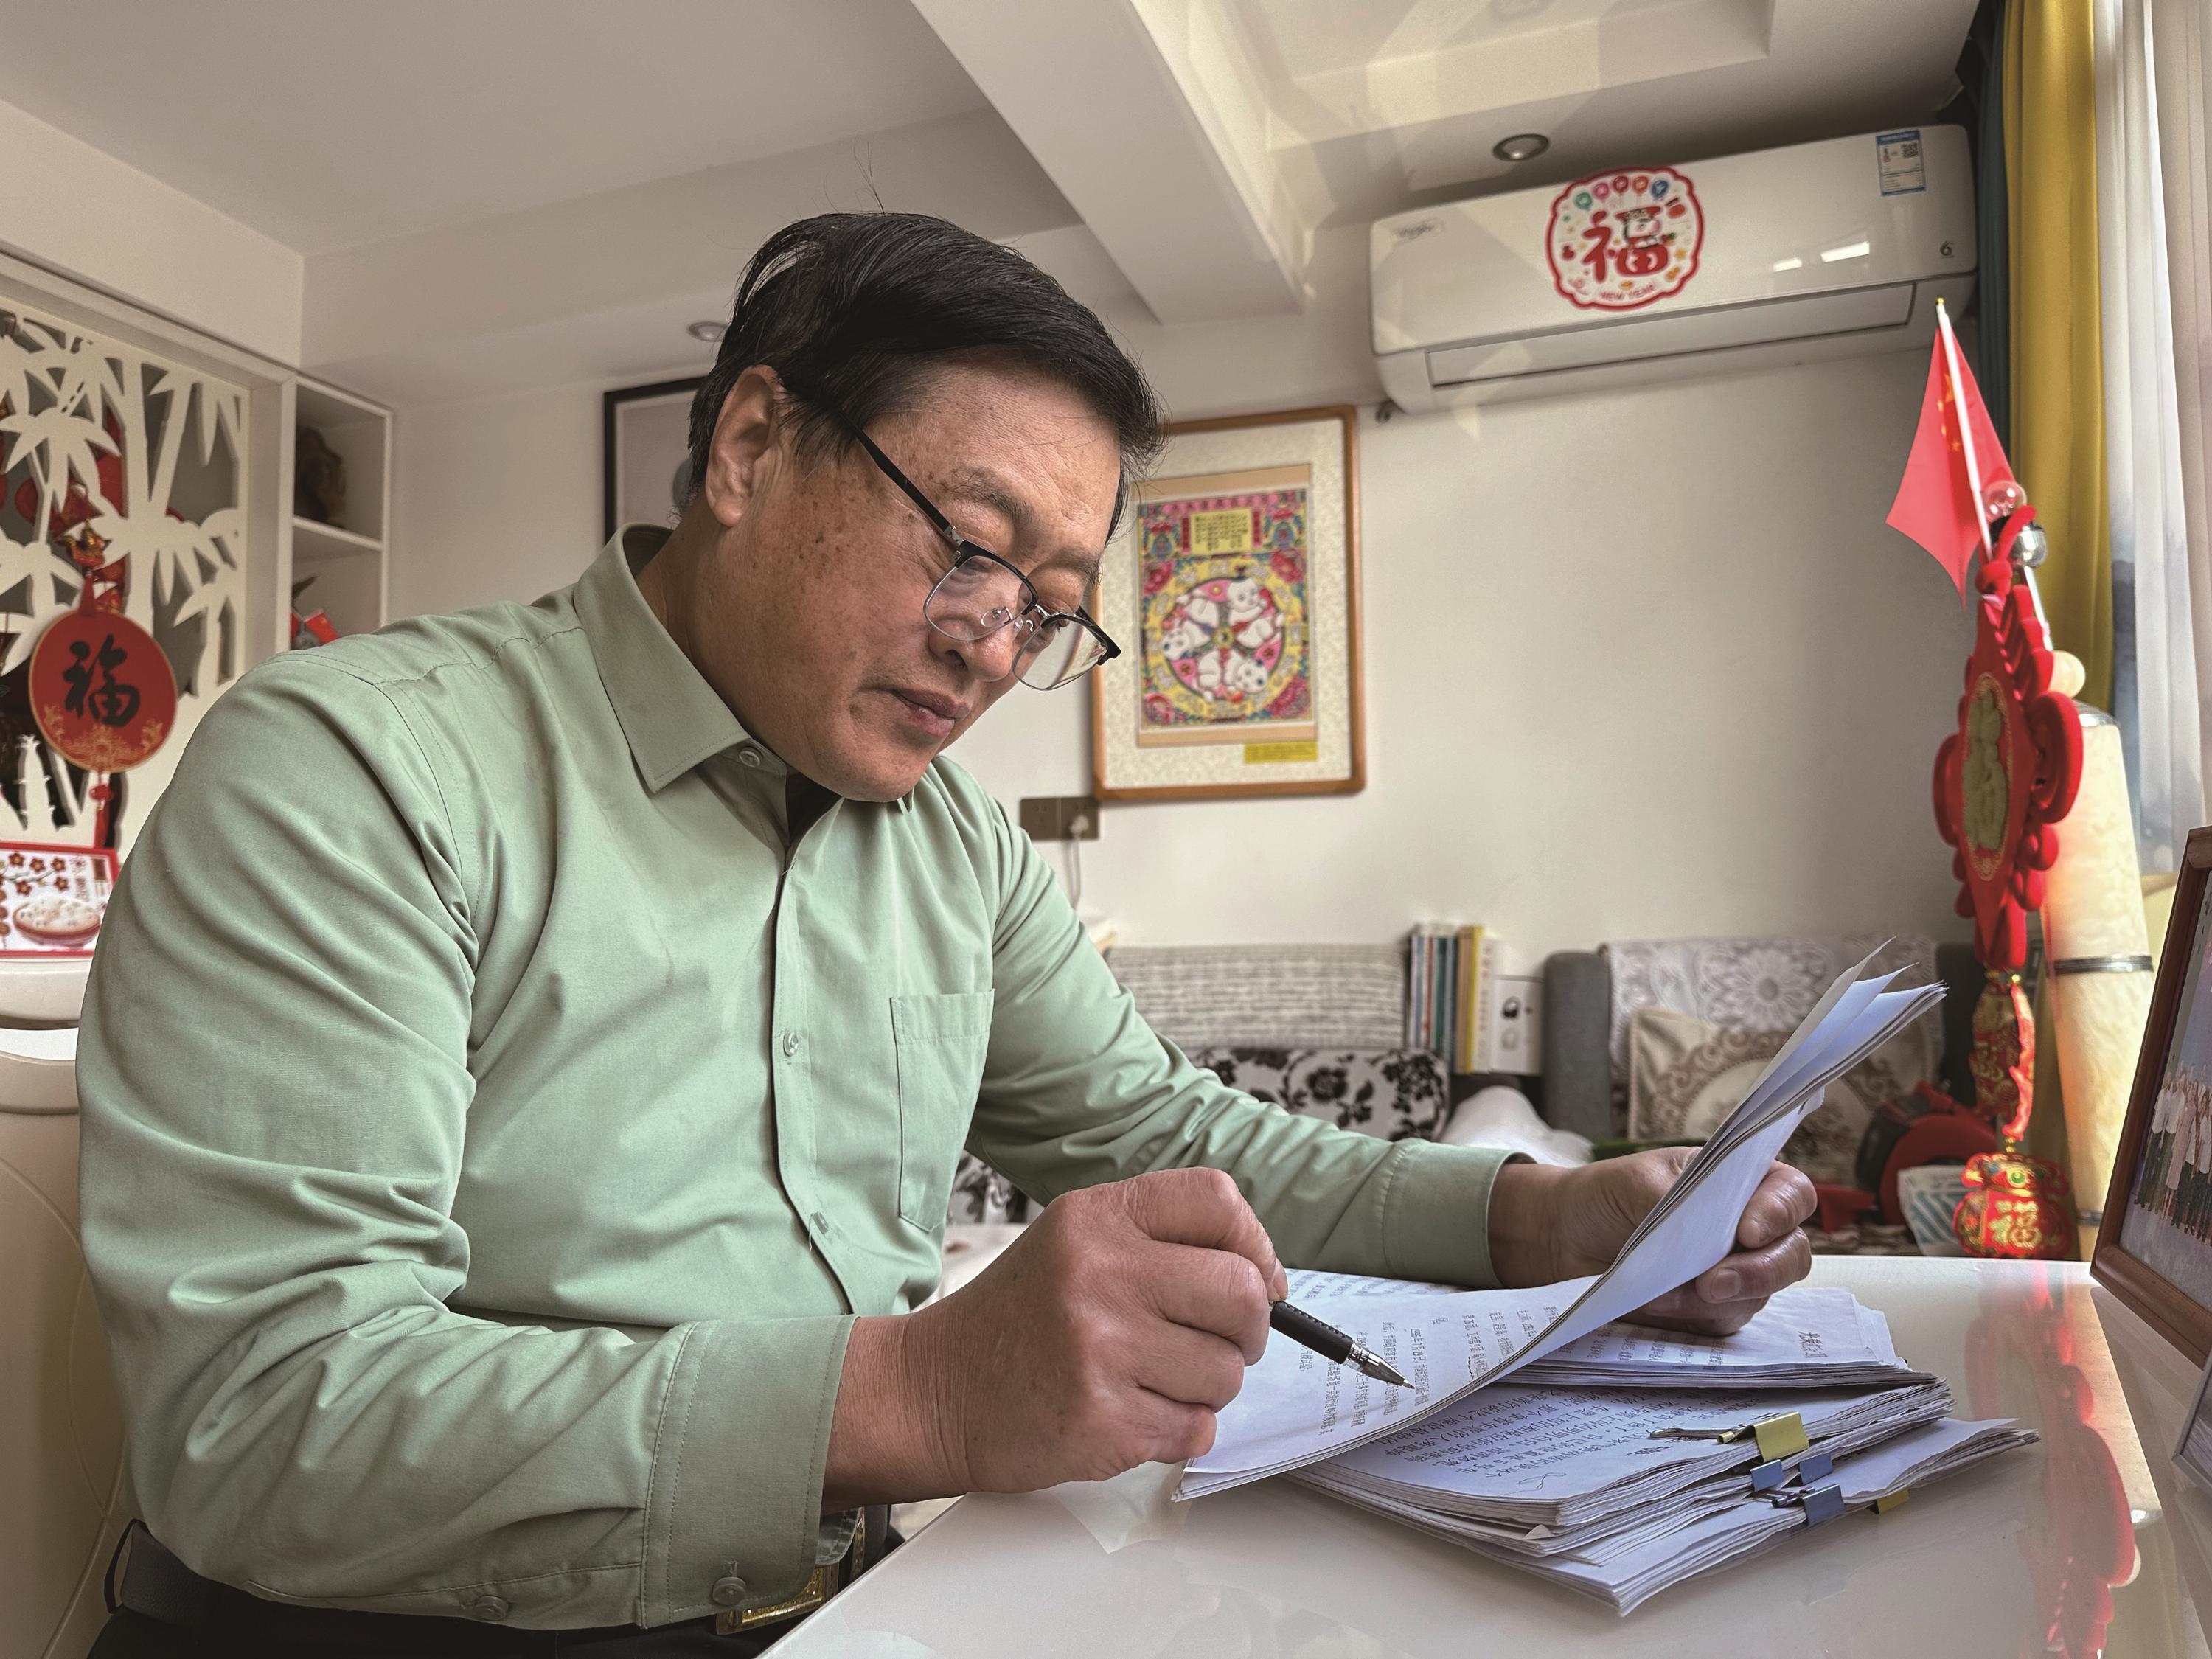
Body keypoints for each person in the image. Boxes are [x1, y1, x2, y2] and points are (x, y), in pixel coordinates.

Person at [79, 212, 1815, 1656]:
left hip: (846, 1604)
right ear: (750, 448)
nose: (994, 647)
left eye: (1049, 612)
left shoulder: (952, 845)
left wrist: (1548, 1220)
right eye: (972, 551)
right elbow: (265, 1418)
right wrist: (916, 1395)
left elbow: (1157, 1131)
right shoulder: (363, 770)